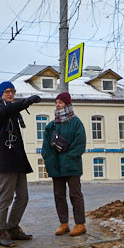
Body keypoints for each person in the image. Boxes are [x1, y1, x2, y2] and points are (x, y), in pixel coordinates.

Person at [0, 81, 41, 247]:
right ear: (1, 94)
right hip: (6, 160)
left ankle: (12, 227)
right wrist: (27, 102)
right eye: (7, 92)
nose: (10, 94)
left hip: (17, 160)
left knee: (23, 196)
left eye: (12, 91)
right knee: (6, 197)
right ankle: (0, 231)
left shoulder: (12, 112)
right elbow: (9, 109)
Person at [41, 91, 87, 236]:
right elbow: (46, 146)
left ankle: (80, 224)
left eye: (60, 103)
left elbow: (80, 144)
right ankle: (64, 223)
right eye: (56, 103)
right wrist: (49, 159)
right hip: (56, 167)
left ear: (67, 104)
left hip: (72, 166)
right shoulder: (51, 125)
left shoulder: (76, 123)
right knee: (59, 195)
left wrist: (68, 158)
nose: (57, 105)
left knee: (75, 194)